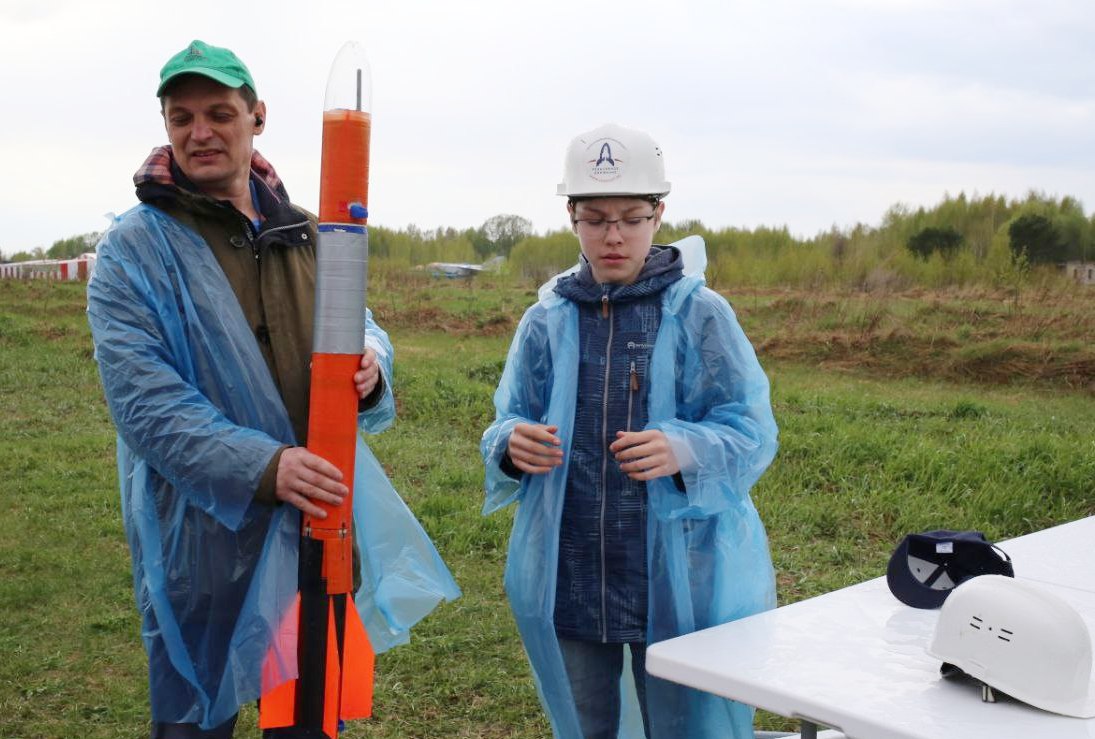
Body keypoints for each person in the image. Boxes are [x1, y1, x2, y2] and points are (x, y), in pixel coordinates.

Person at [87, 40, 458, 738]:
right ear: (165, 125)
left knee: (307, 713)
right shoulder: (134, 250)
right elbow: (144, 402)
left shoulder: (310, 236)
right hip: (199, 532)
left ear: (256, 116)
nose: (201, 132)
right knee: (197, 714)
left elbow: (363, 328)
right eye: (182, 116)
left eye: (219, 112)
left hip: (315, 525)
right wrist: (264, 466)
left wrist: (372, 363)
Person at [481, 123, 779, 738]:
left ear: (658, 215)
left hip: (674, 578)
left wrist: (685, 448)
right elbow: (508, 416)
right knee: (584, 724)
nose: (613, 235)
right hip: (571, 574)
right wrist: (510, 444)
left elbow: (750, 429)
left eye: (631, 217)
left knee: (682, 724)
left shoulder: (700, 314)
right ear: (571, 218)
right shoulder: (547, 321)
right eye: (595, 218)